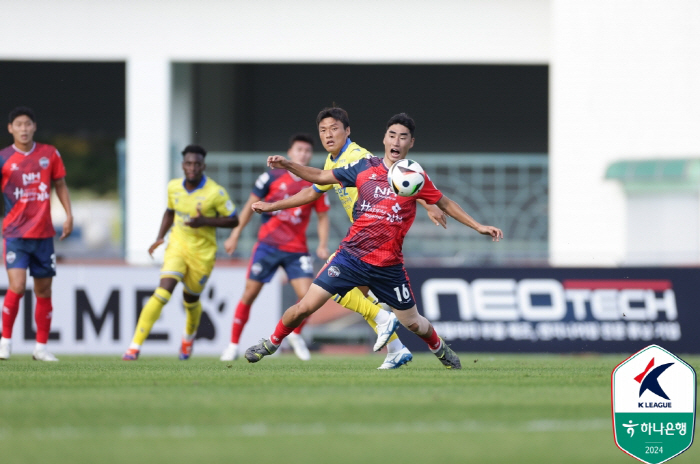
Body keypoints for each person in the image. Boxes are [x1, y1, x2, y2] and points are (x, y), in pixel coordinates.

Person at [245, 113, 503, 369]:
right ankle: (271, 342)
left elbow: (443, 201)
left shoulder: (415, 176)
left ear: (410, 143)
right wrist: (288, 167)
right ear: (384, 139)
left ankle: (438, 348)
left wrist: (477, 226)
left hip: (389, 265)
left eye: (403, 137)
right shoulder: (363, 167)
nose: (397, 141)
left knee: (414, 323)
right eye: (392, 135)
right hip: (351, 256)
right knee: (304, 306)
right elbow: (321, 178)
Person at [220, 134, 330, 361]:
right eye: (299, 150)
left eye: (307, 151)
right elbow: (250, 206)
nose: (303, 154)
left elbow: (322, 217)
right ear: (290, 153)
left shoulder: (315, 181)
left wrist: (322, 244)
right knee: (250, 294)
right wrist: (235, 234)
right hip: (267, 246)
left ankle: (295, 335)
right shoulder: (270, 177)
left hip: (296, 249)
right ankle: (232, 345)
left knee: (309, 297)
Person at [122, 144, 239, 361]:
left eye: (196, 164)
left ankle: (188, 338)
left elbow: (234, 219)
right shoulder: (173, 187)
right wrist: (160, 237)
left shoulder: (215, 192)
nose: (192, 167)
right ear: (182, 165)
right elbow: (169, 212)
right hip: (177, 246)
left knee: (190, 299)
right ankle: (133, 347)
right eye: (188, 163)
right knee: (163, 292)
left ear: (203, 166)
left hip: (203, 254)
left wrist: (204, 221)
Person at [0, 106, 73, 362]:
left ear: (34, 126)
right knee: (17, 286)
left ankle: (40, 348)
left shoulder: (49, 154)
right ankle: (5, 342)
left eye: (27, 124)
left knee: (44, 291)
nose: (23, 129)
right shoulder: (3, 158)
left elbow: (60, 184)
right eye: (18, 124)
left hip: (43, 235)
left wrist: (68, 214)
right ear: (10, 128)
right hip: (15, 234)